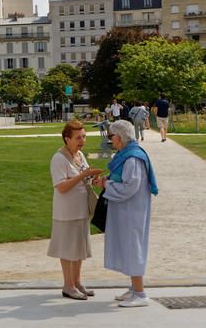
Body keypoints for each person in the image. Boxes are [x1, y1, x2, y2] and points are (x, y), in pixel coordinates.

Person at [93, 119, 159, 307]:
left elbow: (130, 186)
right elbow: (120, 177)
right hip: (128, 211)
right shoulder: (126, 154)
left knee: (133, 248)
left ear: (120, 137)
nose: (110, 139)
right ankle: (134, 288)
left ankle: (140, 293)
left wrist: (106, 184)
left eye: (112, 136)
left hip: (132, 212)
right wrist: (106, 180)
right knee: (129, 247)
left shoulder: (132, 158)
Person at [47, 120, 102, 300]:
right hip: (66, 213)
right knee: (68, 249)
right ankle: (68, 285)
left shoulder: (80, 155)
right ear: (66, 139)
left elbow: (82, 178)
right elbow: (61, 187)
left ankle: (77, 282)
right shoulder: (58, 158)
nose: (82, 140)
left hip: (81, 210)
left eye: (84, 136)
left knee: (79, 249)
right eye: (78, 137)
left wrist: (91, 179)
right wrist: (83, 175)